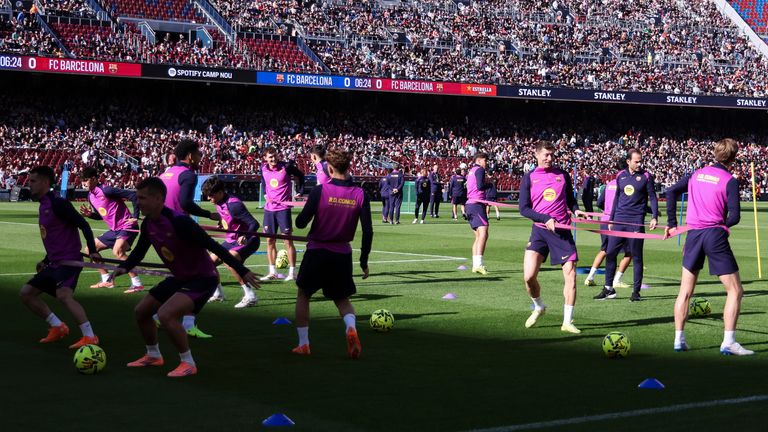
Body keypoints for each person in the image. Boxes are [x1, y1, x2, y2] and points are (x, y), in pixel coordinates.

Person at [111, 177, 260, 377]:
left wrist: (242, 271)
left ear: (158, 199)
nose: (137, 202)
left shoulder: (179, 221)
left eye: (142, 198)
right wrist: (124, 267)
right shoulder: (148, 224)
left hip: (202, 278)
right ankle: (154, 356)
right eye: (137, 198)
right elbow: (138, 252)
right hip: (180, 277)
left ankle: (188, 363)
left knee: (165, 315)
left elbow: (214, 246)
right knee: (142, 311)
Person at [664, 139, 753, 355]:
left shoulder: (696, 174)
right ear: (733, 158)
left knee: (685, 291)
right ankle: (729, 341)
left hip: (693, 235)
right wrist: (723, 226)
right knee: (735, 290)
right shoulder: (729, 180)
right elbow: (735, 216)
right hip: (714, 234)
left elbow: (670, 192)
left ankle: (679, 339)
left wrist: (672, 223)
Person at [291, 149, 373, 358]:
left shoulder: (320, 191)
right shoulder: (360, 193)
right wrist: (363, 261)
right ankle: (350, 328)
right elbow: (368, 231)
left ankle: (304, 344)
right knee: (342, 299)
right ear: (349, 167)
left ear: (329, 168)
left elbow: (300, 223)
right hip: (342, 254)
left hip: (317, 251)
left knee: (304, 294)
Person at [19, 166, 102, 349]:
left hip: (69, 261)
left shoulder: (58, 203)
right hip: (55, 263)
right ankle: (58, 326)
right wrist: (46, 261)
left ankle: (90, 336)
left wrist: (93, 251)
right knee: (27, 293)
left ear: (45, 183)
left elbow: (83, 224)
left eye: (33, 181)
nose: (28, 184)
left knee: (64, 295)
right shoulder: (44, 205)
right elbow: (56, 239)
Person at [519, 141, 586, 334]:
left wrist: (576, 210)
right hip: (540, 230)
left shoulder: (562, 175)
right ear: (537, 155)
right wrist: (545, 218)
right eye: (546, 155)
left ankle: (567, 321)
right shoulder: (529, 177)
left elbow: (570, 199)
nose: (549, 158)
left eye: (551, 155)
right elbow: (523, 208)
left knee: (571, 275)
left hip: (562, 231)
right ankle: (539, 306)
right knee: (529, 277)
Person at [160, 139, 220, 338]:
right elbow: (186, 203)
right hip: (181, 231)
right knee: (211, 276)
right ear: (190, 155)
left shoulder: (165, 173)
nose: (201, 156)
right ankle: (185, 322)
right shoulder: (188, 175)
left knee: (182, 275)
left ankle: (160, 314)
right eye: (199, 153)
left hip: (162, 230)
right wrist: (208, 214)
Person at [594, 149, 658, 302]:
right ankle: (608, 289)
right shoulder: (620, 176)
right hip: (618, 221)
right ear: (628, 161)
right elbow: (617, 198)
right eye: (636, 161)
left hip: (635, 221)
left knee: (636, 257)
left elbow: (653, 198)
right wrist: (611, 219)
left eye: (640, 161)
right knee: (610, 254)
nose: (639, 164)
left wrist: (654, 216)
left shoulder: (646, 176)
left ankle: (636, 293)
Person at [78, 167, 144, 292]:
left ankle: (137, 284)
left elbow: (133, 195)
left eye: (85, 180)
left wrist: (135, 216)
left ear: (93, 179)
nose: (83, 183)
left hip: (127, 226)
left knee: (117, 251)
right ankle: (107, 280)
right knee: (89, 249)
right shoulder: (90, 197)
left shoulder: (106, 190)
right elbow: (101, 215)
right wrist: (90, 215)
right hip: (114, 230)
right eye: (82, 181)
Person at [201, 177, 261, 308]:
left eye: (211, 196)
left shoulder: (234, 205)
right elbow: (226, 217)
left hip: (249, 240)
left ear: (220, 192)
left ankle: (250, 296)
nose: (208, 199)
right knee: (209, 263)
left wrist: (245, 235)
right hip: (231, 239)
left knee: (230, 260)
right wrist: (222, 223)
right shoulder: (218, 202)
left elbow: (254, 223)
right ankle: (218, 294)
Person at [259, 147, 305, 281]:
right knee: (269, 240)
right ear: (265, 158)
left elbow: (301, 176)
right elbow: (263, 181)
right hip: (269, 209)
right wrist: (266, 194)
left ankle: (292, 272)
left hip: (283, 208)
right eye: (270, 157)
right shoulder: (263, 168)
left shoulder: (287, 167)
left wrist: (300, 192)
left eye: (274, 156)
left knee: (287, 240)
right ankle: (272, 272)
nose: (273, 159)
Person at [584, 165, 632, 288]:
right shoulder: (626, 184)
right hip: (618, 221)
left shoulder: (610, 183)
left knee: (604, 250)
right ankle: (616, 280)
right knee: (629, 252)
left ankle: (590, 277)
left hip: (604, 220)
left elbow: (600, 202)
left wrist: (607, 209)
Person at [465, 153, 492, 275]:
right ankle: (479, 264)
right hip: (476, 204)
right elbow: (481, 186)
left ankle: (476, 265)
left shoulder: (471, 170)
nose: (487, 163)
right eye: (485, 160)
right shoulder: (480, 170)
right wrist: (490, 184)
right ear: (479, 160)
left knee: (478, 236)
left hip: (470, 204)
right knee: (483, 234)